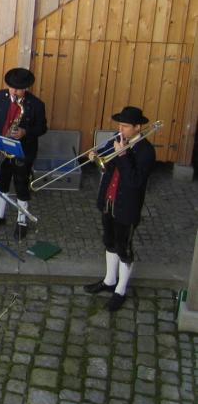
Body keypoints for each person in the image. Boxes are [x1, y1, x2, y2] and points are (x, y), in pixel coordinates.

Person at [83, 106, 156, 312]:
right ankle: (109, 280)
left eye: (125, 126)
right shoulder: (117, 139)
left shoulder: (146, 151)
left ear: (137, 127)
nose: (120, 129)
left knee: (123, 248)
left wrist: (122, 155)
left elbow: (134, 181)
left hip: (127, 207)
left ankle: (120, 291)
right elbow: (105, 161)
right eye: (120, 125)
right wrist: (96, 155)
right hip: (109, 201)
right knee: (109, 241)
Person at [0, 68, 48, 240]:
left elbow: (42, 128)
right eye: (11, 87)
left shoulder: (36, 104)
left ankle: (21, 221)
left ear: (25, 88)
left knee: (21, 186)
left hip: (23, 151)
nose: (13, 91)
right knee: (1, 182)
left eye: (18, 89)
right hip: (2, 148)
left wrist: (25, 132)